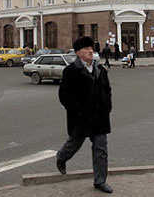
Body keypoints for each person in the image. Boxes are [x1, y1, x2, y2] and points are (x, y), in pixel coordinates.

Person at [56, 36, 113, 194]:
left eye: (91, 48)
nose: (90, 51)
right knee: (74, 144)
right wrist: (78, 110)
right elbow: (64, 96)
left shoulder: (100, 70)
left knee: (101, 149)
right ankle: (61, 158)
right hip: (81, 118)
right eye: (86, 49)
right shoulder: (71, 71)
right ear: (78, 53)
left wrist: (107, 107)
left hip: (99, 117)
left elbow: (107, 90)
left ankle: (100, 181)